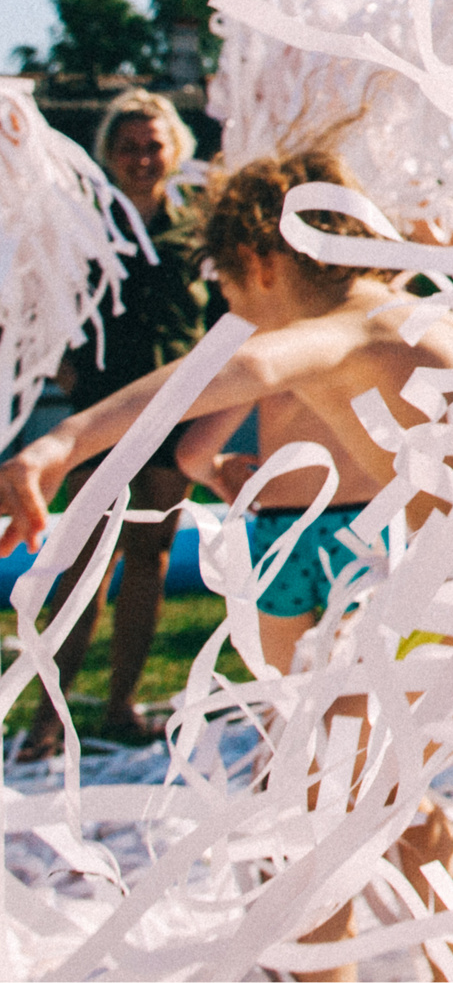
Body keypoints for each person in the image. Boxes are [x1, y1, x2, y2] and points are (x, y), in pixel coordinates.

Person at [0, 150, 453, 982]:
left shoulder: (359, 331)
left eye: (233, 299)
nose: (236, 320)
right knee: (382, 801)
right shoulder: (429, 318)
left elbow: (234, 371)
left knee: (311, 827)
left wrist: (62, 439)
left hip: (451, 620)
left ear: (264, 264)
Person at [9, 89, 220, 760]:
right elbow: (45, 299)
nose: (140, 157)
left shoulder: (197, 227)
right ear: (108, 153)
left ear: (173, 149)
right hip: (101, 416)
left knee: (151, 558)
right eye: (128, 145)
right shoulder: (88, 224)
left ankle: (122, 705)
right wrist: (73, 379)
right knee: (81, 562)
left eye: (152, 144)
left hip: (175, 412)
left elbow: (220, 314)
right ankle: (50, 716)